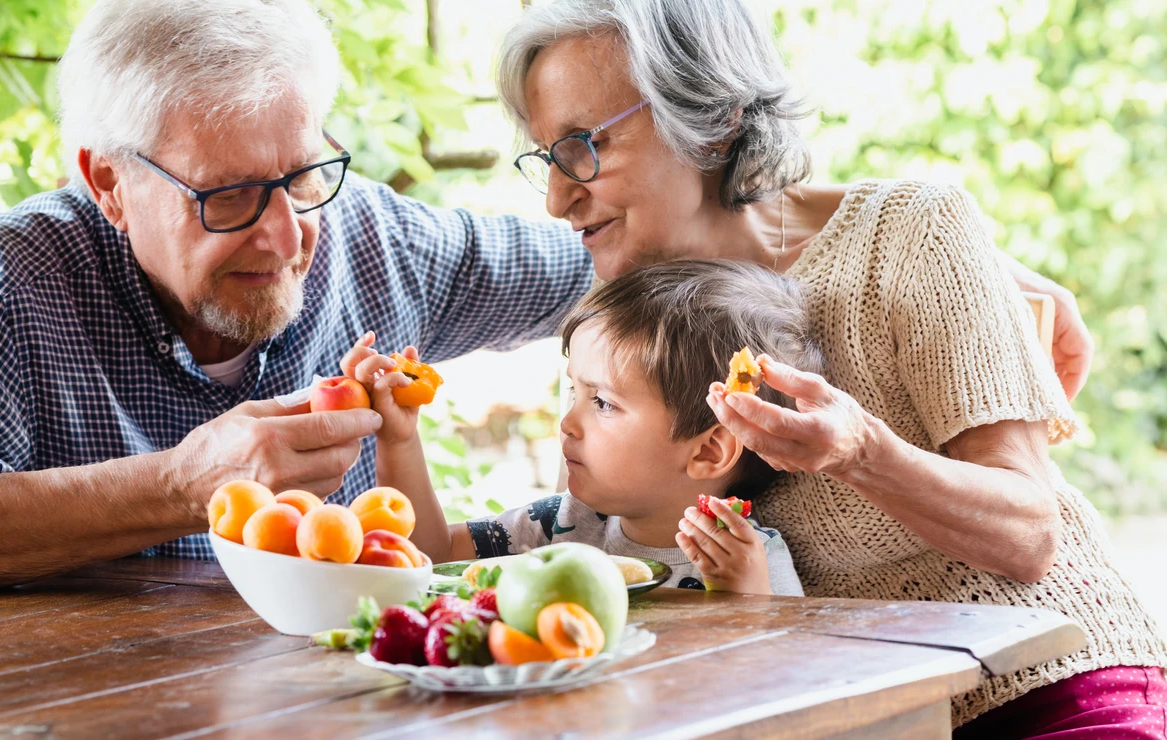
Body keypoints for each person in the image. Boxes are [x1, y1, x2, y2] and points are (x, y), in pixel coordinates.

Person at [496, 0, 1166, 734]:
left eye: (583, 146)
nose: (560, 197)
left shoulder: (909, 234)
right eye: (546, 158)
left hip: (1039, 683)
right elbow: (597, 542)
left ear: (715, 118)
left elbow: (1030, 536)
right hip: (851, 714)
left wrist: (861, 453)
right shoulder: (626, 310)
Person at [0, 0, 593, 595]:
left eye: (304, 175)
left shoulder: (378, 242)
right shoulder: (6, 283)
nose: (287, 236)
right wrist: (178, 486)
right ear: (108, 183)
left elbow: (601, 264)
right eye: (230, 196)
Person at [343, 260, 817, 595]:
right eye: (575, 393)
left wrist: (749, 600)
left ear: (709, 451)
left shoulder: (749, 560)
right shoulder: (565, 524)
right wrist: (399, 438)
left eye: (603, 402)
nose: (568, 422)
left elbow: (781, 682)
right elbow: (432, 554)